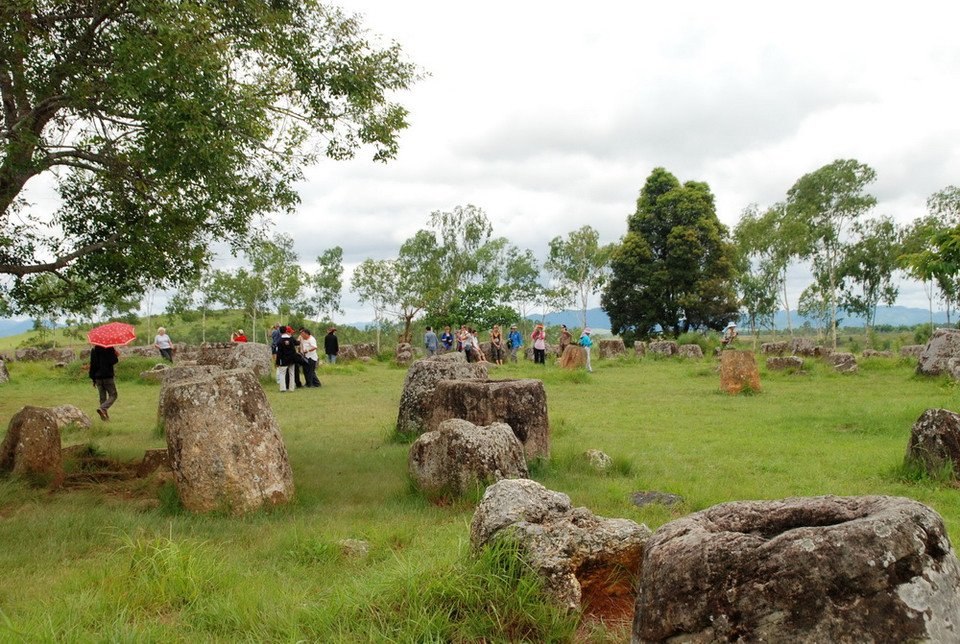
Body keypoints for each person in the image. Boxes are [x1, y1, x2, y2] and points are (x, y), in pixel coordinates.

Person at [89, 344, 119, 420]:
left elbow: (92, 365)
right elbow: (113, 361)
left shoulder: (94, 350)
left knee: (102, 398)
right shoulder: (109, 348)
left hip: (98, 377)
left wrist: (93, 378)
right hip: (107, 376)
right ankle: (102, 408)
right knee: (113, 395)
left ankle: (105, 418)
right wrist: (116, 355)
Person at [275, 326, 299, 392]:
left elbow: (279, 353)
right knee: (292, 373)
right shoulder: (291, 339)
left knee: (282, 374)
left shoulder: (279, 341)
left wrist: (277, 362)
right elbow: (297, 343)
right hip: (292, 358)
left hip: (284, 359)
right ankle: (291, 388)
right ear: (286, 331)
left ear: (280, 332)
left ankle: (283, 388)